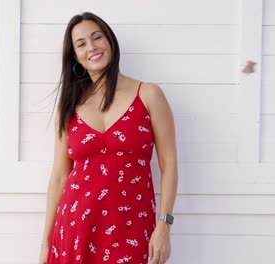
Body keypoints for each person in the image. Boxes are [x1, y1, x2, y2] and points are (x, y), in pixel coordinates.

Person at [39, 12, 178, 264]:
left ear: (110, 41)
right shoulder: (69, 106)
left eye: (97, 37)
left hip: (131, 228)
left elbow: (169, 166)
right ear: (75, 57)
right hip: (75, 228)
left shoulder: (148, 94)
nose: (91, 47)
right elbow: (59, 176)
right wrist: (46, 243)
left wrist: (164, 225)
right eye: (81, 44)